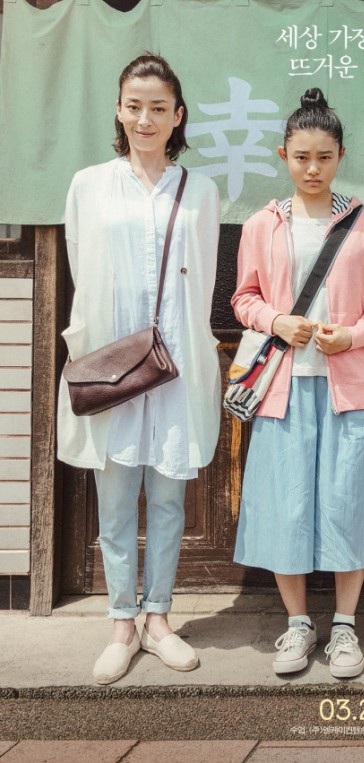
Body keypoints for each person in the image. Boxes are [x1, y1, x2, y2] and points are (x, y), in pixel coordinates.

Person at [57, 53, 221, 685]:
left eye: (158, 108)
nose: (145, 119)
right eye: (134, 106)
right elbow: (82, 269)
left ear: (178, 116)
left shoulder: (199, 190)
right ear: (118, 111)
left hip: (175, 360)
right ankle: (122, 622)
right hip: (115, 362)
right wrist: (92, 347)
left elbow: (202, 280)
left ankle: (159, 619)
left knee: (170, 497)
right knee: (117, 496)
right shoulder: (89, 185)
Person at [232, 87, 364, 680]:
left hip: (348, 387)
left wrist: (353, 334)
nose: (312, 168)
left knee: (348, 502)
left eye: (324, 157)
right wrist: (276, 320)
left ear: (341, 157)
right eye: (301, 157)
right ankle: (299, 623)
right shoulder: (261, 224)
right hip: (281, 389)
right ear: (284, 155)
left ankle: (346, 625)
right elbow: (243, 298)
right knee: (286, 507)